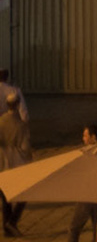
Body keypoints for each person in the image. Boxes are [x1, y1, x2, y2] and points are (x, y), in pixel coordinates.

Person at [0, 94, 29, 238]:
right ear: (17, 104)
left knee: (5, 197)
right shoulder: (21, 125)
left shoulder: (1, 121)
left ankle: (7, 228)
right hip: (17, 163)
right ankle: (12, 222)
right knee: (24, 194)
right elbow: (25, 147)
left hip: (1, 162)